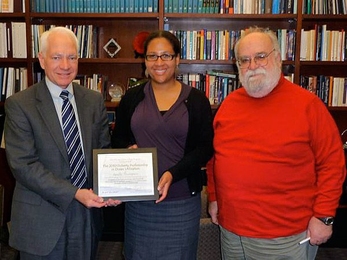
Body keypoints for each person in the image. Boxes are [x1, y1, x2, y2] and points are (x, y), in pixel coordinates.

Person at [207, 26, 346, 260]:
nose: (252, 66)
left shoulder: (307, 106)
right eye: (245, 60)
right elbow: (215, 158)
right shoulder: (229, 105)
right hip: (231, 230)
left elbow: (332, 165)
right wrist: (213, 196)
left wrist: (324, 217)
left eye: (260, 57)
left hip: (284, 235)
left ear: (278, 58)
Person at [4, 26, 113, 259]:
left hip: (86, 217)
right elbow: (24, 166)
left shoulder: (93, 100)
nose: (65, 65)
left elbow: (103, 153)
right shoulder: (20, 105)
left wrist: (113, 184)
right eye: (56, 57)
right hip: (41, 222)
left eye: (71, 57)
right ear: (42, 60)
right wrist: (74, 193)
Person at [111, 30, 214, 260]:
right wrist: (127, 151)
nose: (159, 62)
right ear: (145, 61)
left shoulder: (196, 100)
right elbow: (118, 140)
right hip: (140, 204)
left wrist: (172, 174)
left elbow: (205, 149)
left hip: (181, 201)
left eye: (166, 55)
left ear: (177, 59)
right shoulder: (132, 98)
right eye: (152, 56)